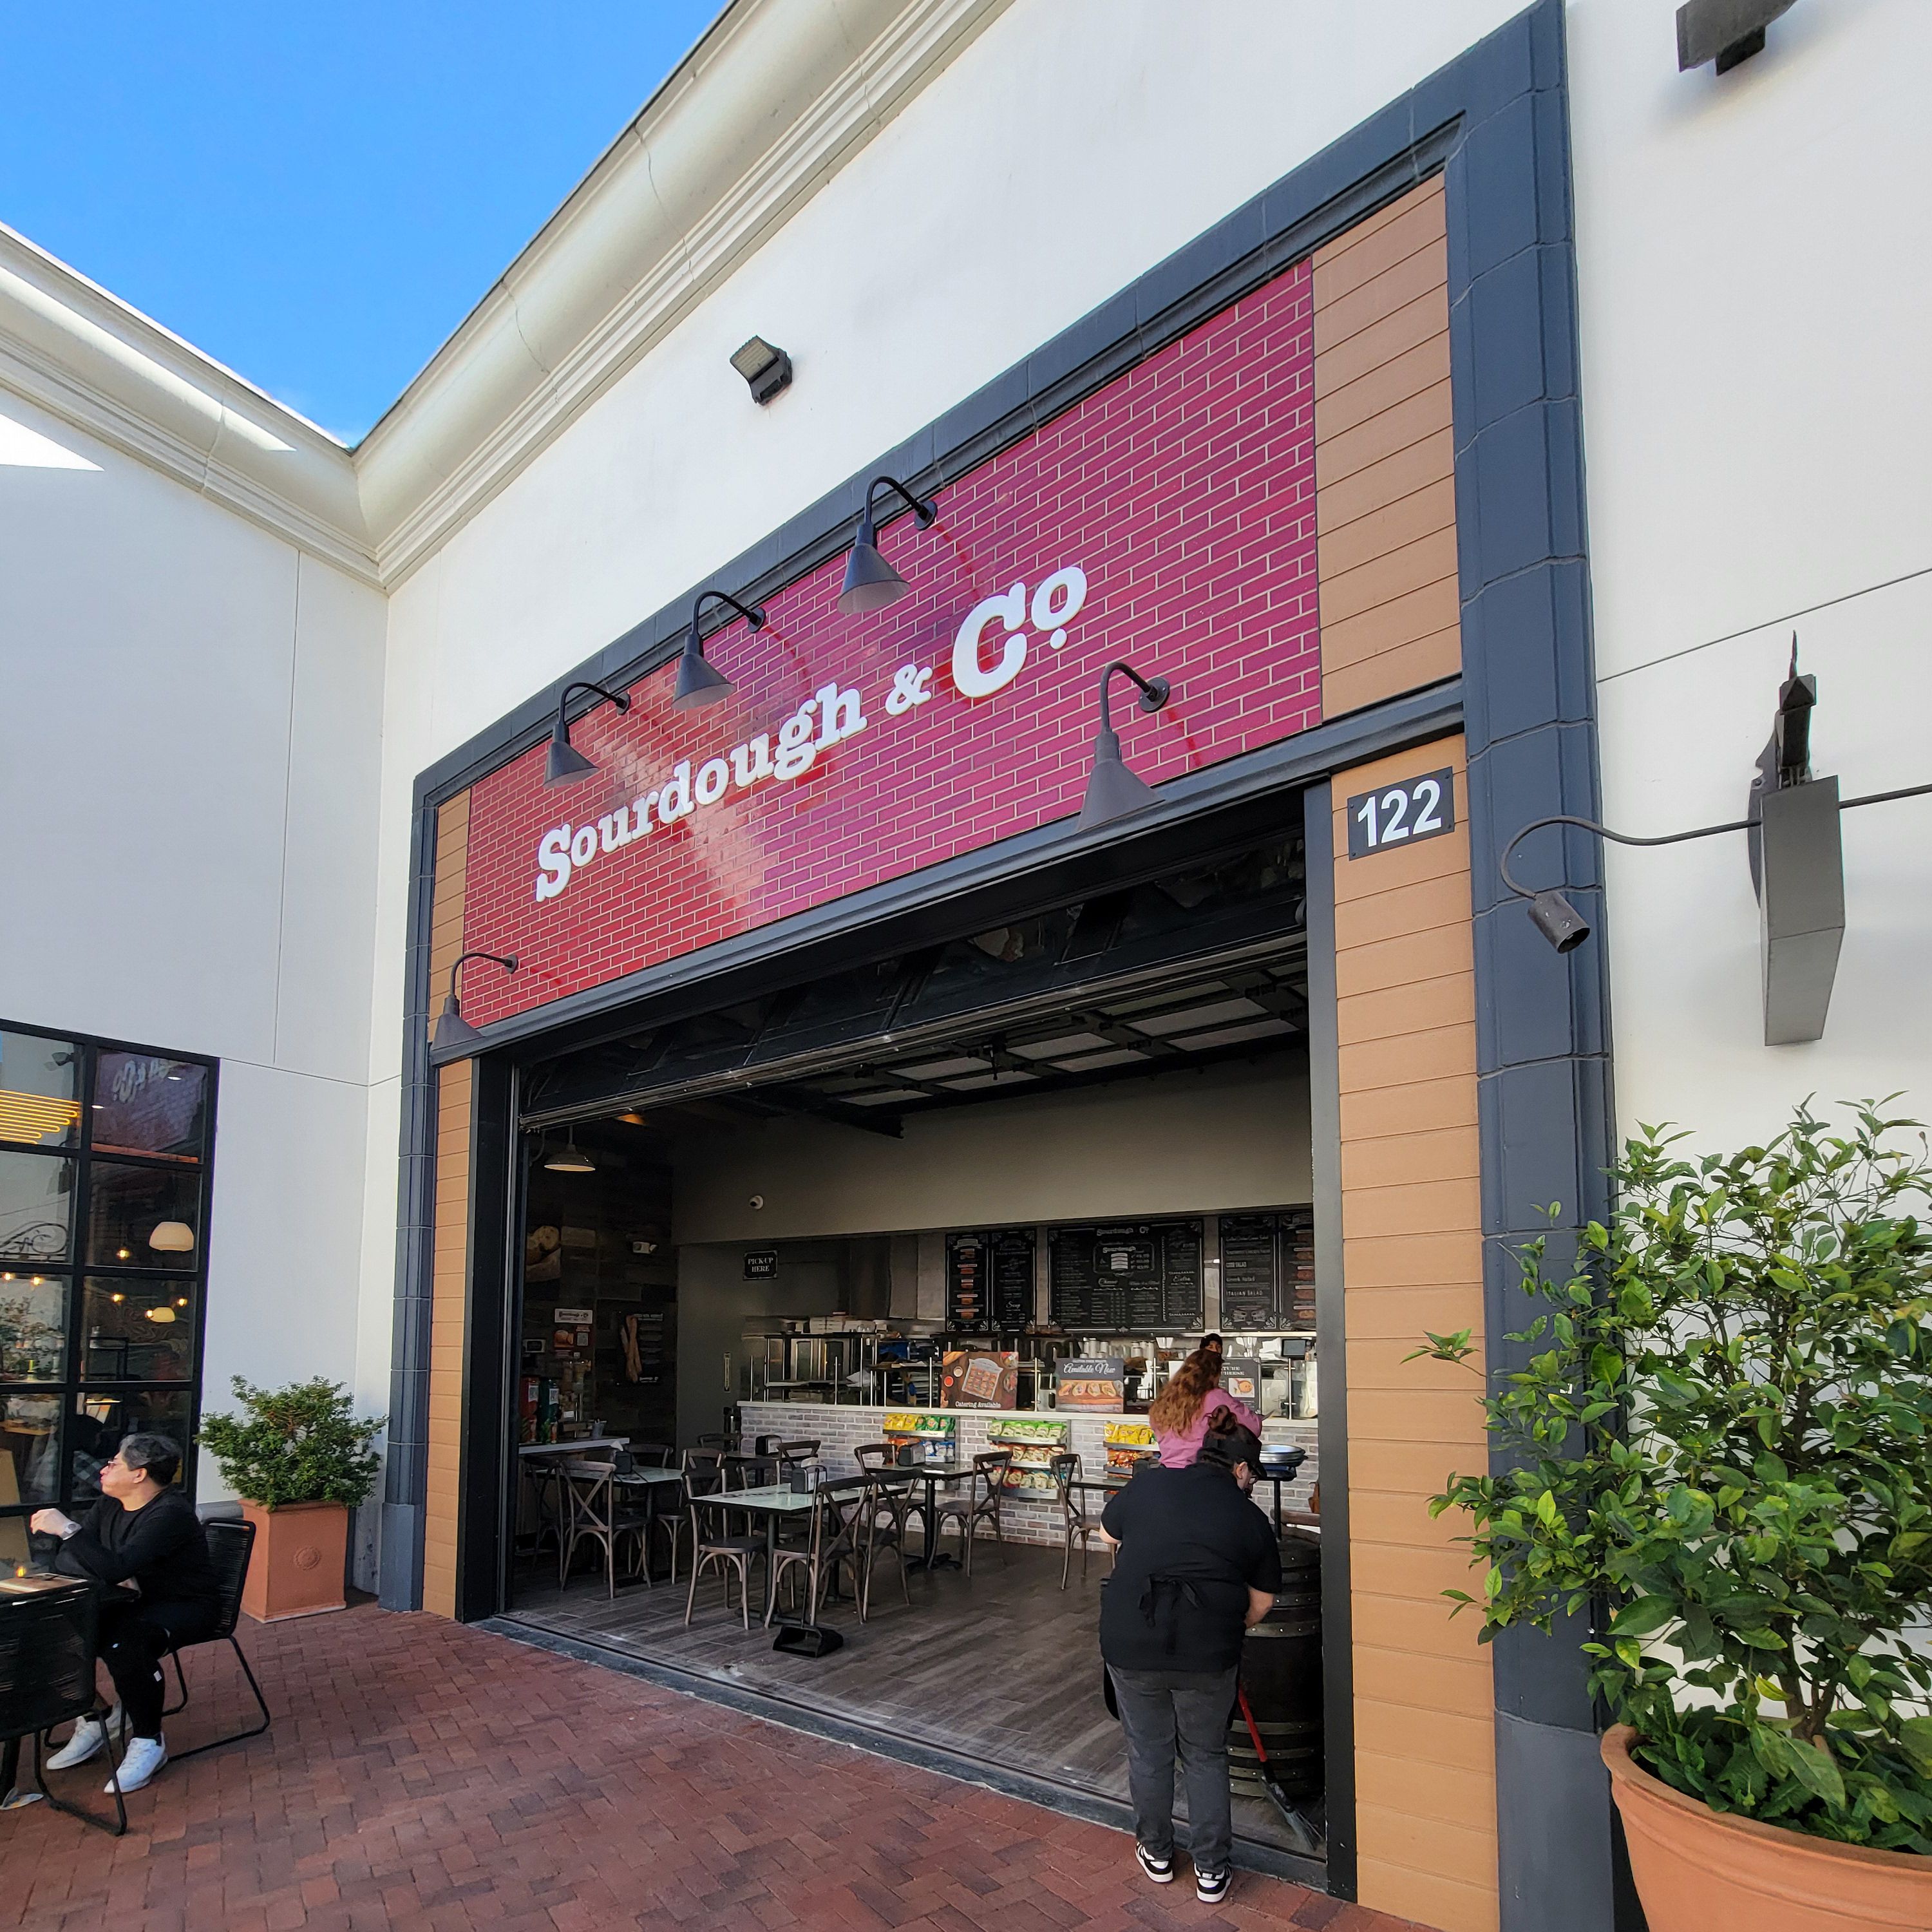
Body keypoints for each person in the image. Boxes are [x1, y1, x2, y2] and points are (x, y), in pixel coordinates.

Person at [1098, 1410, 1281, 1902]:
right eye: (1252, 1475)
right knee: (1204, 1755)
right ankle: (1211, 1870)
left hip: (1132, 1639)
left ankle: (1157, 1853)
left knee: (1149, 1750)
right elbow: (1261, 1603)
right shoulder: (1248, 1516)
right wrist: (1219, 1622)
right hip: (1209, 1653)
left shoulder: (1148, 1486)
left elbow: (1107, 1534)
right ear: (1241, 1470)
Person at [28, 1434, 219, 1794]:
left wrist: (69, 1530)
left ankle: (149, 1741)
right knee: (48, 1632)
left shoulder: (170, 1514)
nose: (105, 1468)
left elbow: (109, 1565)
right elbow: (70, 1560)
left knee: (124, 1644)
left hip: (183, 1607)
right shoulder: (110, 1504)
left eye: (114, 1463)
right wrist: (107, 1566)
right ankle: (97, 1716)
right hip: (126, 1601)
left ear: (139, 1475)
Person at [1146, 1345, 1262, 1468]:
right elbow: (1254, 1427)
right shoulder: (1215, 1396)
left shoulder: (1165, 1399)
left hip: (1166, 1472)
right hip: (1201, 1474)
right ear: (1214, 1374)